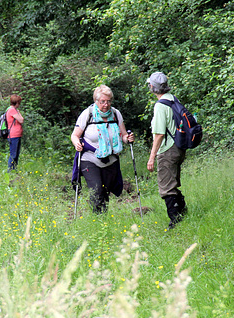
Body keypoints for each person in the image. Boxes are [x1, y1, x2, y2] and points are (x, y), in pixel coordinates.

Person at [71, 85, 134, 214]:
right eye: (103, 101)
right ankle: (96, 217)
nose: (106, 104)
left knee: (105, 192)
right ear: (96, 101)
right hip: (90, 158)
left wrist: (128, 139)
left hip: (110, 159)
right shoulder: (88, 114)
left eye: (109, 101)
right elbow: (75, 135)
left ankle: (102, 220)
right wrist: (77, 143)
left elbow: (123, 136)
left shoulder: (116, 114)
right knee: (97, 188)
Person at [146, 72, 188, 229]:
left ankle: (175, 221)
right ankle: (183, 212)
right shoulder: (173, 99)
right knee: (172, 183)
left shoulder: (160, 105)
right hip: (179, 148)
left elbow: (159, 135)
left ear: (152, 87)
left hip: (167, 150)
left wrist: (152, 158)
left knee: (166, 187)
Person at [7, 95, 24, 171]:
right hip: (13, 135)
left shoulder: (13, 110)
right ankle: (10, 171)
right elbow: (21, 120)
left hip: (16, 135)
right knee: (13, 154)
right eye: (19, 103)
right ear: (16, 103)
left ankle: (14, 170)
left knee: (16, 154)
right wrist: (19, 112)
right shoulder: (12, 110)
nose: (19, 105)